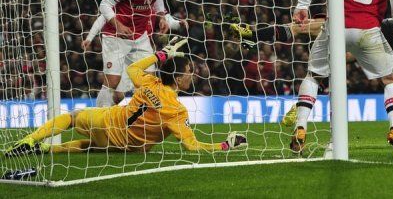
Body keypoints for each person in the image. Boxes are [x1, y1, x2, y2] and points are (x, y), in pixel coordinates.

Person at [232, 0, 393, 131]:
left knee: (327, 59)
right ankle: (253, 36)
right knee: (307, 30)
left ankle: (301, 105)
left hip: (369, 48)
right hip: (359, 34)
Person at [5, 37, 247, 156]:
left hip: (107, 123)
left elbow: (132, 70)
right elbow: (192, 147)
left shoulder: (149, 81)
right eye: (189, 72)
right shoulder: (176, 110)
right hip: (126, 146)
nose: (192, 76)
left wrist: (161, 54)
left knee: (72, 117)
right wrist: (225, 145)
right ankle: (41, 149)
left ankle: (30, 141)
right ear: (178, 79)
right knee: (90, 146)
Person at [95, 0, 186, 107]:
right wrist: (119, 25)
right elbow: (104, 5)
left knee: (147, 82)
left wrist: (162, 16)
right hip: (116, 35)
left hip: (140, 36)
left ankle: (143, 124)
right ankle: (98, 124)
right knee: (113, 81)